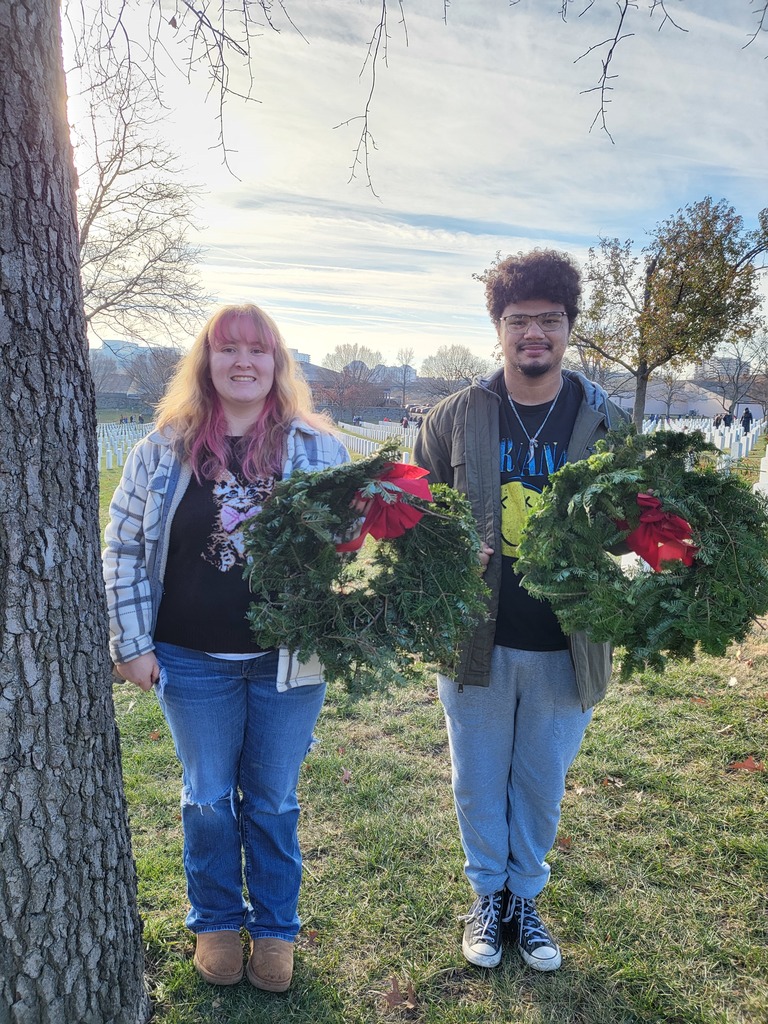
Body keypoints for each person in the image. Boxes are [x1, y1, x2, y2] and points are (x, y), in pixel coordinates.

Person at [103, 304, 350, 992]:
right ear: (206, 363)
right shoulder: (163, 448)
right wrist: (129, 643)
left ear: (277, 363)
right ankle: (215, 919)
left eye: (259, 350)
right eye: (228, 348)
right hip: (188, 658)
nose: (244, 361)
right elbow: (122, 547)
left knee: (272, 800)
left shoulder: (319, 450)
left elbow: (352, 548)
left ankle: (274, 931)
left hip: (288, 662)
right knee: (209, 798)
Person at [414, 250, 628, 973]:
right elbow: (418, 521)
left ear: (569, 327)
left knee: (539, 780)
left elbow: (635, 523)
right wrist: (450, 553)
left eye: (549, 320)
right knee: (477, 778)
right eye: (518, 320)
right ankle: (487, 895)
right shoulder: (452, 418)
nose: (533, 333)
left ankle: (526, 898)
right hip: (475, 638)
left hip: (568, 642)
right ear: (497, 327)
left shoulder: (605, 420)